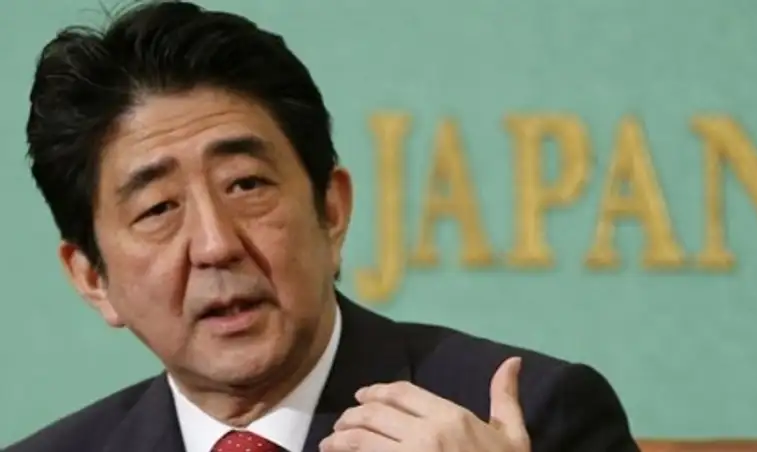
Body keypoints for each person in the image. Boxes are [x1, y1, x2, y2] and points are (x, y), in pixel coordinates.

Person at [6, 1, 640, 451]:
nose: (217, 245)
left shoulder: (534, 417)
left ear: (331, 210)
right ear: (92, 278)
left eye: (246, 185)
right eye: (158, 209)